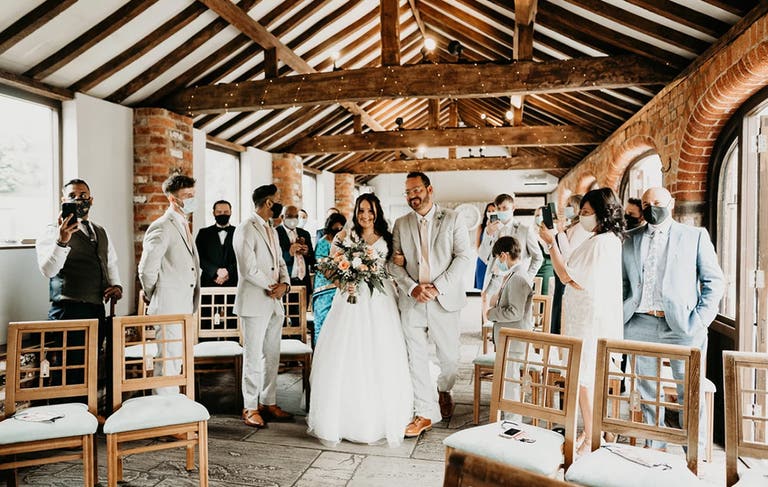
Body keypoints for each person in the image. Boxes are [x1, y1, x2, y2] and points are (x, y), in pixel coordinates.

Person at [622, 187, 724, 451]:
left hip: (683, 325)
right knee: (647, 392)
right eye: (646, 203)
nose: (651, 207)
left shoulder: (695, 236)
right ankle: (654, 449)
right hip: (639, 323)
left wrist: (701, 320)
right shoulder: (629, 238)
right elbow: (622, 282)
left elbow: (714, 281)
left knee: (690, 391)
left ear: (671, 203)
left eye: (657, 202)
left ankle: (695, 453)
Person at [307, 193, 413, 447]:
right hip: (350, 299)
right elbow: (328, 266)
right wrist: (344, 283)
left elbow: (396, 265)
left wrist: (400, 261)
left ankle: (380, 416)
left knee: (380, 353)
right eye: (361, 211)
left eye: (370, 211)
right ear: (355, 212)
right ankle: (343, 418)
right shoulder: (345, 236)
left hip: (380, 300)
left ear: (377, 213)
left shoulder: (388, 238)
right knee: (348, 353)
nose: (365, 216)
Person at [538, 187, 625, 455]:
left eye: (586, 213)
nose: (582, 218)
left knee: (584, 380)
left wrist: (552, 243)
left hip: (589, 320)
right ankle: (590, 432)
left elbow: (568, 277)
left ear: (602, 213)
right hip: (585, 316)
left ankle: (592, 436)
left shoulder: (601, 242)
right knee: (584, 380)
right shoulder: (603, 240)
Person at [391, 172, 472, 436]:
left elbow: (462, 257)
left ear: (429, 189)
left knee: (449, 359)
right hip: (412, 300)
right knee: (416, 358)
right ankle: (424, 412)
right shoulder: (401, 224)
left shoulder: (452, 218)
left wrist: (438, 287)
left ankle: (443, 389)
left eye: (416, 190)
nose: (412, 196)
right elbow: (393, 263)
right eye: (408, 192)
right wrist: (413, 288)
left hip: (444, 299)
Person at [36, 178, 123, 407]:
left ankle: (84, 420)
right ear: (64, 200)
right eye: (73, 196)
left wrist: (117, 285)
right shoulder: (50, 232)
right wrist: (61, 241)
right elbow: (48, 270)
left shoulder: (100, 231)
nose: (79, 200)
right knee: (67, 369)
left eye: (83, 195)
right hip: (67, 310)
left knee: (90, 366)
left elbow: (110, 261)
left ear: (91, 200)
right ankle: (63, 423)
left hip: (95, 308)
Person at [232, 184, 294, 428]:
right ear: (269, 203)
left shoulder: (271, 228)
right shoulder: (245, 228)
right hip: (255, 301)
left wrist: (285, 285)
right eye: (278, 200)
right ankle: (249, 406)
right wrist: (272, 286)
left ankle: (268, 401)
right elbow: (248, 269)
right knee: (253, 356)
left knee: (271, 355)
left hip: (274, 302)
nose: (280, 203)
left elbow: (280, 262)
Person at [138, 174, 200, 395]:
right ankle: (165, 412)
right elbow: (147, 268)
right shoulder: (162, 226)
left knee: (177, 358)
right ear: (173, 199)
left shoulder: (183, 224)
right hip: (168, 303)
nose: (192, 199)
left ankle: (172, 410)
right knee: (168, 361)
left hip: (182, 303)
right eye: (187, 196)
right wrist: (155, 292)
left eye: (193, 194)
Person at [479, 193, 542, 300]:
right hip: (494, 282)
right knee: (489, 314)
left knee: (512, 314)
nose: (501, 211)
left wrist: (527, 277)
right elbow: (483, 256)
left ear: (513, 208)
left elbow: (538, 258)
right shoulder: (490, 229)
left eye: (505, 208)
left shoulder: (525, 230)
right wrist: (488, 235)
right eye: (499, 208)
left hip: (516, 281)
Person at [550, 194, 590, 334]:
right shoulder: (572, 226)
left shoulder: (581, 228)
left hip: (568, 274)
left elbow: (569, 255)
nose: (565, 208)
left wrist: (560, 234)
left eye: (569, 206)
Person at [311, 212, 347, 345]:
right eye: (335, 226)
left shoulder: (344, 243)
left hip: (340, 288)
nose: (338, 229)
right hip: (324, 289)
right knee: (322, 322)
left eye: (341, 227)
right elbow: (322, 266)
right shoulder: (322, 242)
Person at [195, 200, 237, 287]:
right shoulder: (203, 233)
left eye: (226, 212)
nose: (222, 214)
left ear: (231, 212)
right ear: (213, 213)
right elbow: (198, 257)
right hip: (208, 281)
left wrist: (228, 271)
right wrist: (216, 271)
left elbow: (244, 257)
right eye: (219, 212)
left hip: (233, 282)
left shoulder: (239, 232)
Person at [276, 205, 315, 296]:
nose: (293, 219)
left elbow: (312, 259)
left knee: (303, 309)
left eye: (296, 216)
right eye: (289, 216)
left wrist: (307, 253)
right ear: (282, 217)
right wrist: (289, 253)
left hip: (303, 281)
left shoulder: (304, 234)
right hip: (285, 282)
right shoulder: (276, 233)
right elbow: (273, 259)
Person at [533, 206, 555, 296]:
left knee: (545, 295)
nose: (539, 217)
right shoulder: (533, 232)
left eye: (541, 215)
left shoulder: (553, 232)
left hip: (547, 269)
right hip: (534, 270)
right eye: (537, 215)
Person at [474, 202, 496, 290]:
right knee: (482, 288)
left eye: (493, 211)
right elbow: (477, 246)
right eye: (489, 211)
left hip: (495, 261)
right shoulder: (481, 227)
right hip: (482, 260)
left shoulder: (501, 227)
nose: (490, 213)